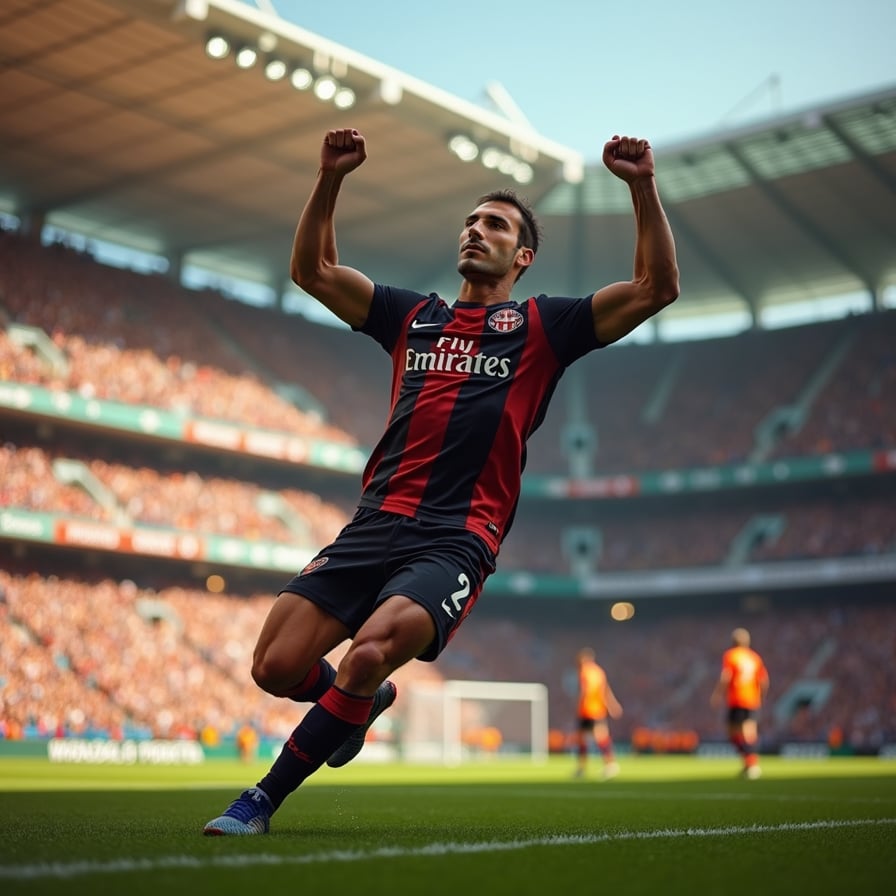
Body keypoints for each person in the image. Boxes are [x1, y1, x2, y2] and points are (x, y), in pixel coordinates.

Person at [203, 127, 679, 835]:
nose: (475, 231)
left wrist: (642, 186)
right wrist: (329, 177)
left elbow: (655, 287)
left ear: (521, 257)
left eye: (494, 225)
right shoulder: (413, 315)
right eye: (470, 221)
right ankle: (360, 702)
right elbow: (313, 271)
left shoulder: (544, 326)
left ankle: (261, 799)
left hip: (455, 538)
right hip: (373, 522)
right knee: (274, 666)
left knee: (369, 648)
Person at [710, 627, 770, 779]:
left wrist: (717, 694)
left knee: (735, 733)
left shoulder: (731, 655)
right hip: (752, 699)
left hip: (738, 699)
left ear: (733, 641)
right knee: (749, 733)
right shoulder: (755, 657)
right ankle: (749, 765)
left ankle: (752, 765)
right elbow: (764, 681)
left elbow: (726, 677)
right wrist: (761, 697)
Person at [573, 647, 623, 779]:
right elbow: (606, 690)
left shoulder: (585, 671)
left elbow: (586, 690)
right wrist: (612, 705)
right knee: (595, 737)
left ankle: (608, 765)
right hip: (598, 709)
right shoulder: (599, 672)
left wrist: (579, 704)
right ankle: (584, 768)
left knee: (589, 738)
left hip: (588, 710)